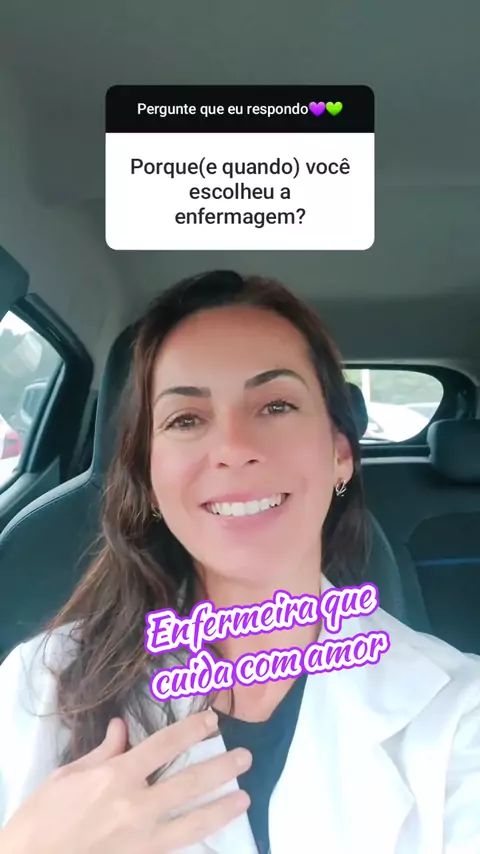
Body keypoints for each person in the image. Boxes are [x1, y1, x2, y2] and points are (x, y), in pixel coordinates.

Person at [0, 269, 479, 854]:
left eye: (275, 405)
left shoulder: (459, 713)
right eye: (186, 419)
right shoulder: (38, 687)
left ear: (340, 454)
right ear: (150, 478)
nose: (232, 449)